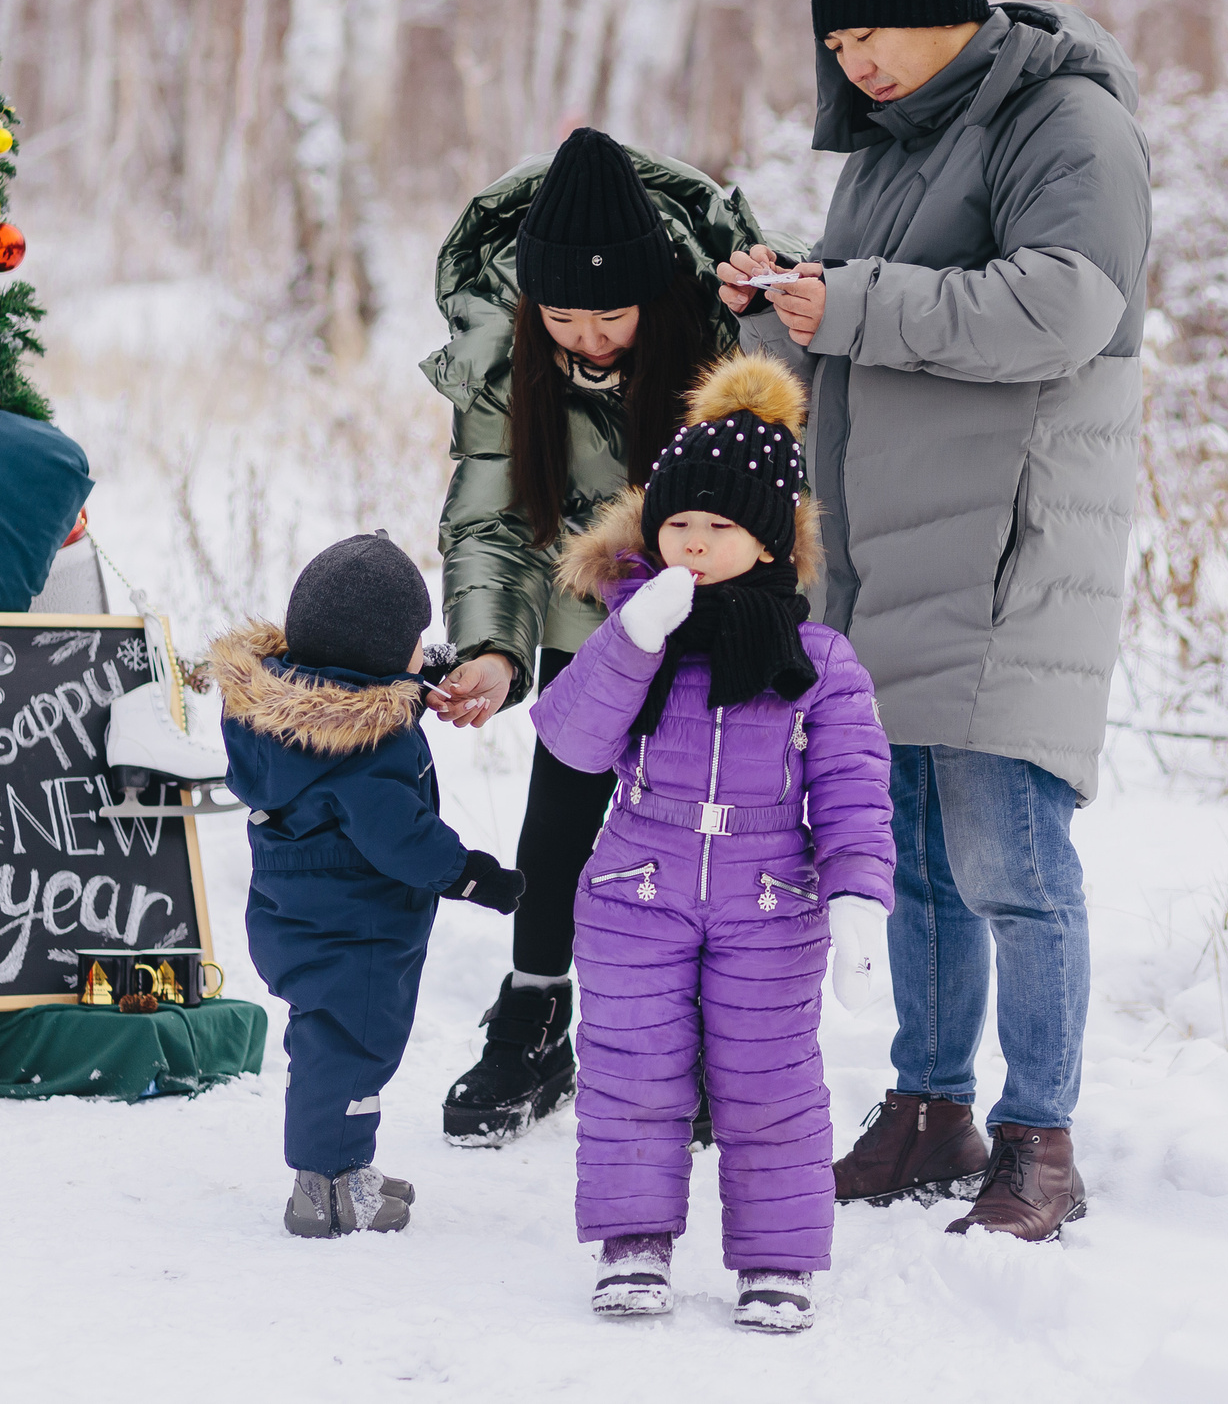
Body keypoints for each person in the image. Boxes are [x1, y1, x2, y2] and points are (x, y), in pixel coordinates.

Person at [717, 0, 1153, 1243]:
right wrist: (783, 306)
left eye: (878, 33)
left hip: (1009, 549)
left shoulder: (1063, 120)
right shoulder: (889, 152)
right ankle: (929, 1107)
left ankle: (1040, 1139)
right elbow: (868, 347)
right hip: (892, 561)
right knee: (911, 863)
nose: (859, 63)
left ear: (950, 3)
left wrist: (853, 300)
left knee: (1010, 858)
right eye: (837, 42)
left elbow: (1061, 306)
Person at [422, 126, 792, 1145]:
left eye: (611, 316)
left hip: (716, 621)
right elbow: (488, 516)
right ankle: (537, 1015)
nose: (585, 337)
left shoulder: (725, 338)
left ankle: (710, 1043)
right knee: (558, 827)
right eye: (563, 315)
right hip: (586, 630)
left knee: (700, 840)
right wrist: (492, 647)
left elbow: (776, 499)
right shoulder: (506, 355)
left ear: (655, 298)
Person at [529, 353, 895, 1333]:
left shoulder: (817, 658)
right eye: (676, 523)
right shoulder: (638, 628)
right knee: (630, 1074)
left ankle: (777, 1262)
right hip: (634, 888)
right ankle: (633, 1246)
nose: (690, 543)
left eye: (716, 527)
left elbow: (853, 788)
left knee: (768, 1083)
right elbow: (568, 739)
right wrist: (628, 641)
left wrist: (859, 894)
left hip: (770, 898)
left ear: (767, 539)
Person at [214, 530, 525, 1238]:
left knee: (328, 1043)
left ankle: (341, 1169)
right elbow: (400, 836)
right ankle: (324, 1191)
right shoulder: (365, 752)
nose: (426, 652)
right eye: (418, 641)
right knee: (352, 1050)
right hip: (356, 928)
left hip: (300, 915)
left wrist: (417, 670)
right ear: (382, 654)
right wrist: (471, 874)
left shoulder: (290, 713)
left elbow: (362, 680)